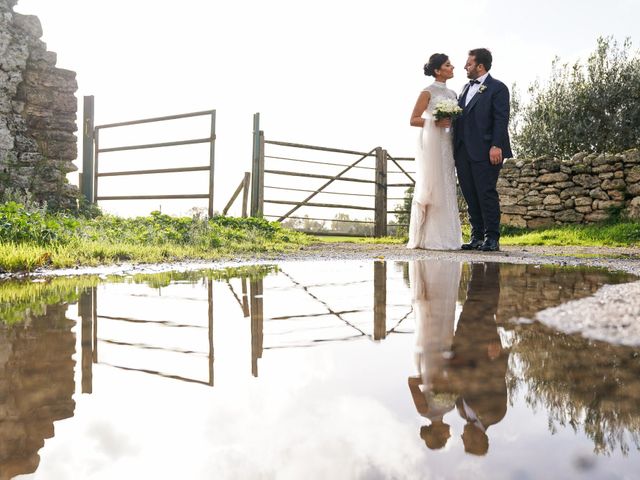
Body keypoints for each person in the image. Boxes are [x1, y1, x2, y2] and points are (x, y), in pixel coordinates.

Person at [453, 48, 513, 252]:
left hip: (487, 150)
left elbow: (501, 118)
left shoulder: (498, 88)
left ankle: (492, 238)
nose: (464, 67)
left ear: (480, 66)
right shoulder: (463, 88)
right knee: (469, 194)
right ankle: (476, 236)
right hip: (462, 151)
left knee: (486, 193)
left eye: (468, 64)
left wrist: (496, 145)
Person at [407, 53, 463, 250]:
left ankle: (449, 237)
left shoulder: (453, 95)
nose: (453, 67)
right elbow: (413, 119)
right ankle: (427, 237)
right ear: (438, 70)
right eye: (448, 65)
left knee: (447, 182)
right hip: (431, 143)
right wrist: (434, 122)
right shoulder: (427, 92)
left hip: (447, 143)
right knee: (432, 183)